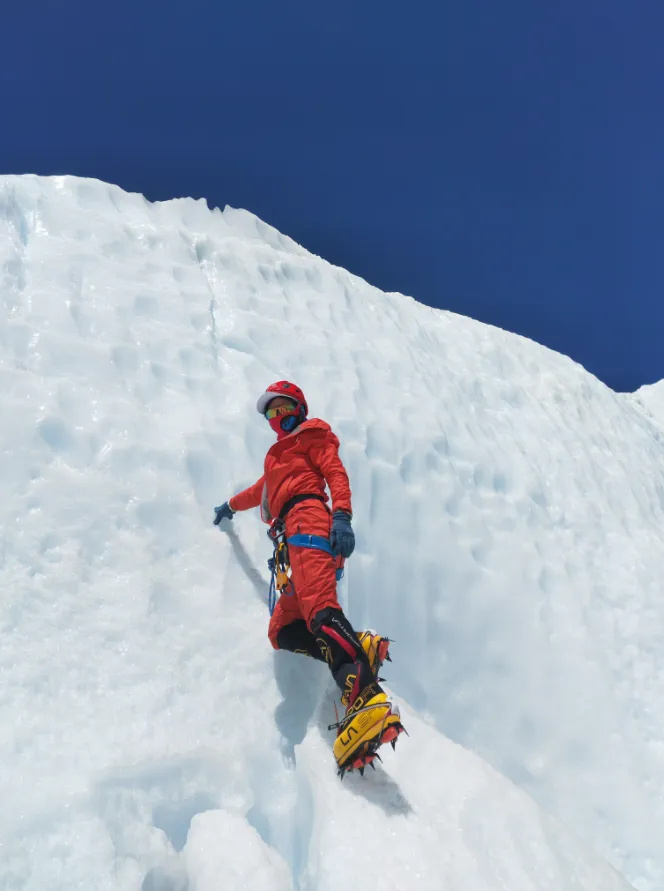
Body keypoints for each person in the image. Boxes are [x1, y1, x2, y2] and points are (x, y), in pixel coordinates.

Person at [214, 380, 404, 775]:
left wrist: (342, 516)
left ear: (299, 408)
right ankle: (358, 649)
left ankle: (367, 697)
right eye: (272, 413)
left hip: (310, 522)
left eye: (284, 408)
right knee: (283, 630)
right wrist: (229, 506)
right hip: (291, 539)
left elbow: (335, 473)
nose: (278, 417)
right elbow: (258, 492)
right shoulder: (278, 460)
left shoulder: (312, 437)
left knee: (320, 611)